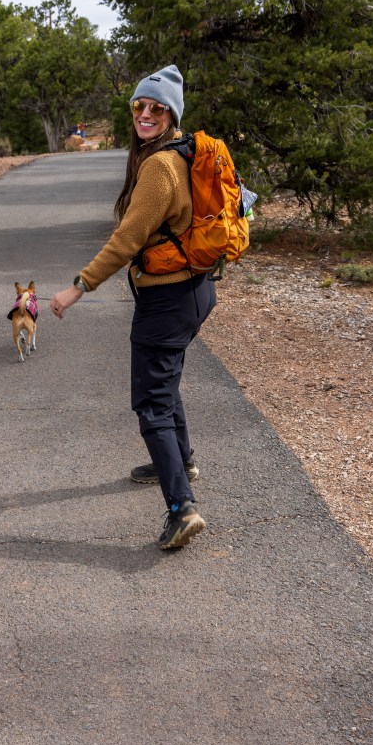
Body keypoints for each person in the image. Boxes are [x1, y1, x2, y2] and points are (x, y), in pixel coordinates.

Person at [50, 64, 216, 550]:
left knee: (151, 404)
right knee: (167, 382)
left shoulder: (161, 166)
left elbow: (127, 239)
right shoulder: (184, 152)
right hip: (195, 292)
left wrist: (79, 286)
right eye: (139, 106)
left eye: (156, 108)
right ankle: (182, 460)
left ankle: (181, 508)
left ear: (171, 114)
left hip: (168, 299)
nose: (145, 113)